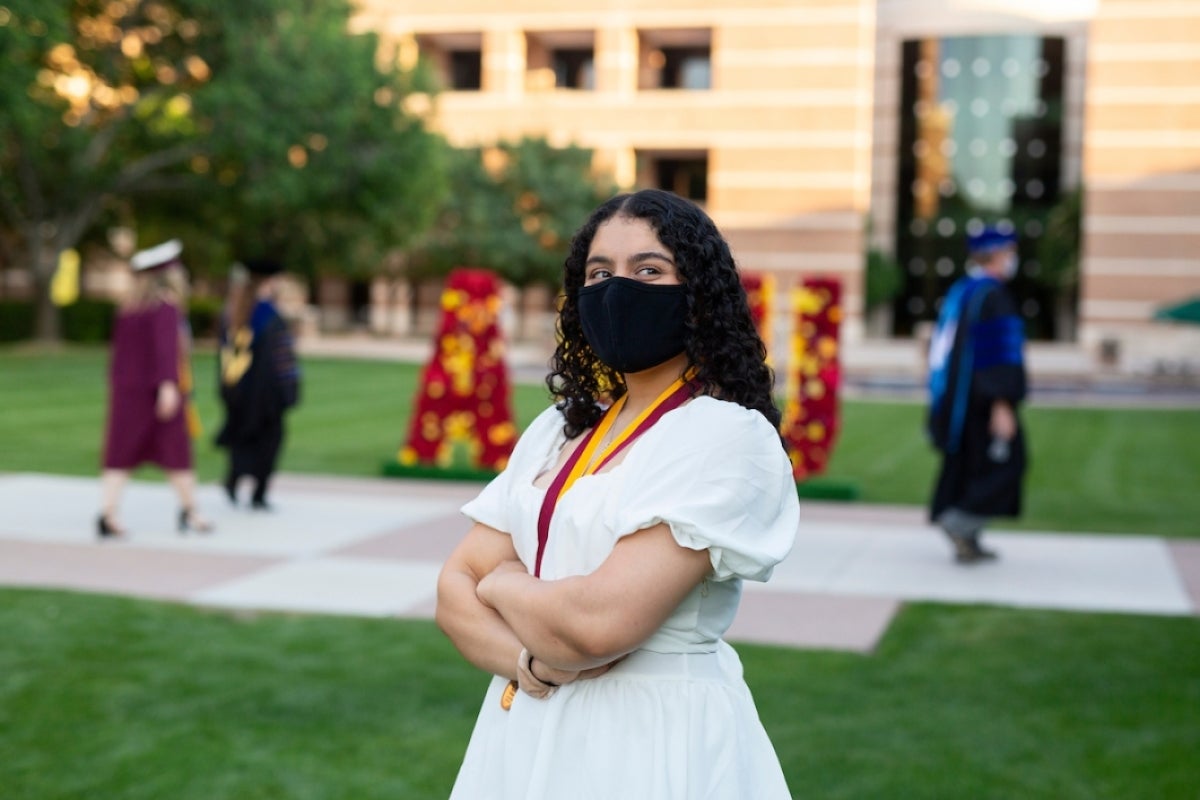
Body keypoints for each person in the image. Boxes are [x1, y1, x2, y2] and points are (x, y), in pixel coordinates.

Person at [436, 189, 800, 799]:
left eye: (648, 270)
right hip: (527, 719)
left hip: (652, 736)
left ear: (698, 294)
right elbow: (451, 595)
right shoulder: (559, 428)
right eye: (599, 272)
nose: (616, 288)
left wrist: (500, 584)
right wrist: (530, 665)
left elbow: (598, 625)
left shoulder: (724, 435)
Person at [926, 225, 1029, 564]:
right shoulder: (992, 294)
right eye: (1010, 251)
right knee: (1007, 463)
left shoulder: (963, 290)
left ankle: (968, 538)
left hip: (960, 400)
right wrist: (1002, 403)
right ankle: (960, 524)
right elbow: (997, 355)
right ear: (998, 254)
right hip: (984, 402)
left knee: (970, 464)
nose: (1013, 258)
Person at [98, 239, 212, 538]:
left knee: (120, 453)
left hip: (127, 392)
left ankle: (108, 513)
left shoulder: (128, 309)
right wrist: (168, 385)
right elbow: (166, 351)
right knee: (176, 452)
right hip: (157, 392)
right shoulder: (165, 307)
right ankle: (191, 511)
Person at [214, 258, 300, 510]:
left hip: (236, 390)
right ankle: (258, 493)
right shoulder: (270, 316)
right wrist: (288, 391)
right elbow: (282, 361)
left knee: (242, 437)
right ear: (269, 282)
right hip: (266, 395)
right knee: (269, 440)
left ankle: (233, 481)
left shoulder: (232, 311)